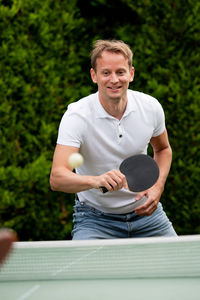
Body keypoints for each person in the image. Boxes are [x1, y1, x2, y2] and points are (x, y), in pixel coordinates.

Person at [50, 39, 177, 239]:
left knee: (180, 267)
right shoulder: (77, 116)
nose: (114, 79)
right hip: (94, 219)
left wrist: (157, 186)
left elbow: (163, 150)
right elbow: (57, 177)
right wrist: (96, 180)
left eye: (120, 72)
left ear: (131, 74)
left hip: (147, 215)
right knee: (85, 272)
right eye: (106, 73)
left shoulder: (151, 107)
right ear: (94, 76)